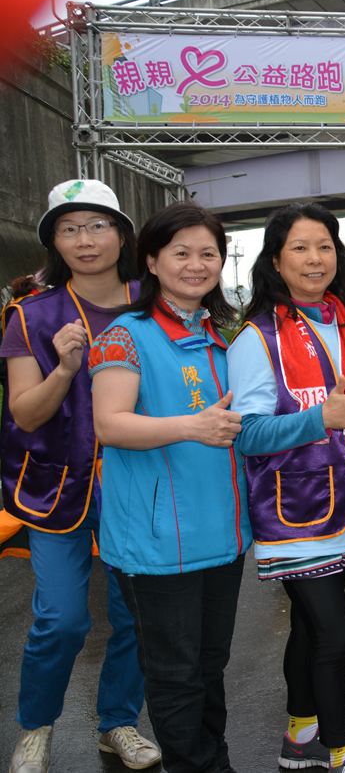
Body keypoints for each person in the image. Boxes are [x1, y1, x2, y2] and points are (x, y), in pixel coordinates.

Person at [1, 180, 160, 773]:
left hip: (137, 483)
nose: (85, 240)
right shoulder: (31, 315)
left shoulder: (157, 302)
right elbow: (25, 414)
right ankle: (36, 727)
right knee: (62, 618)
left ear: (122, 234)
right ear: (54, 242)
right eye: (69, 229)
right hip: (56, 489)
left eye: (97, 225)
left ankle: (117, 722)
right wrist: (65, 369)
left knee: (137, 616)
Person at [89, 201, 253, 773]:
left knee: (209, 666)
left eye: (208, 253)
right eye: (181, 253)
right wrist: (191, 426)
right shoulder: (124, 335)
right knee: (175, 674)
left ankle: (215, 761)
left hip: (223, 536)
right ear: (152, 262)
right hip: (158, 543)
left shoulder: (220, 337)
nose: (196, 264)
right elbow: (109, 423)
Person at [228, 203, 345, 773]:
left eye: (324, 246)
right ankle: (340, 749)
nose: (315, 258)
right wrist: (320, 419)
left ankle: (299, 737)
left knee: (309, 627)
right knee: (336, 634)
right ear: (275, 260)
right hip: (293, 512)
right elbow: (247, 434)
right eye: (299, 247)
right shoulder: (257, 338)